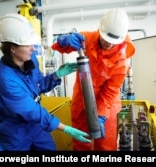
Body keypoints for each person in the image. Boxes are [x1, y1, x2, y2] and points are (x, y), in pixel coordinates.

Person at [0, 13, 91, 151]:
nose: (32, 48)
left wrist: (56, 75)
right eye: (27, 45)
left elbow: (38, 85)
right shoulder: (5, 80)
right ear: (12, 48)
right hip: (14, 131)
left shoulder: (30, 60)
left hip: (35, 125)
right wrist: (66, 128)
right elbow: (32, 111)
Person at [52, 8, 135, 150]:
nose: (108, 44)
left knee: (105, 145)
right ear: (100, 31)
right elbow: (58, 47)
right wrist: (64, 41)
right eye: (105, 39)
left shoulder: (122, 61)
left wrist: (101, 116)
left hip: (106, 105)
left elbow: (110, 92)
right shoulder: (87, 39)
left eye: (113, 43)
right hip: (82, 98)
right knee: (80, 140)